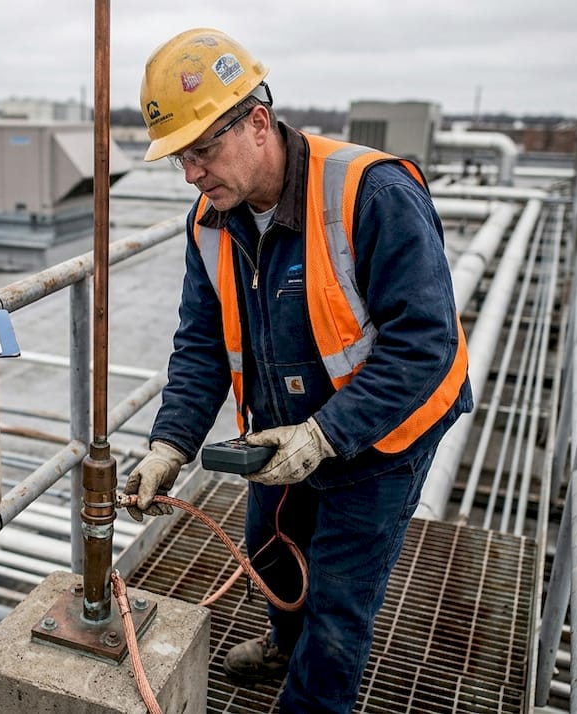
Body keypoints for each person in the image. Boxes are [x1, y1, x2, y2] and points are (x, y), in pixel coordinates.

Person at [123, 28, 473, 713]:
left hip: (383, 437)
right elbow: (200, 344)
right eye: (181, 159)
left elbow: (424, 346)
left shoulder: (371, 193)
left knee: (339, 605)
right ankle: (285, 643)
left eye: (202, 151)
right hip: (282, 434)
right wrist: (170, 444)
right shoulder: (211, 222)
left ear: (258, 122)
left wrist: (324, 435)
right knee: (271, 552)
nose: (192, 174)